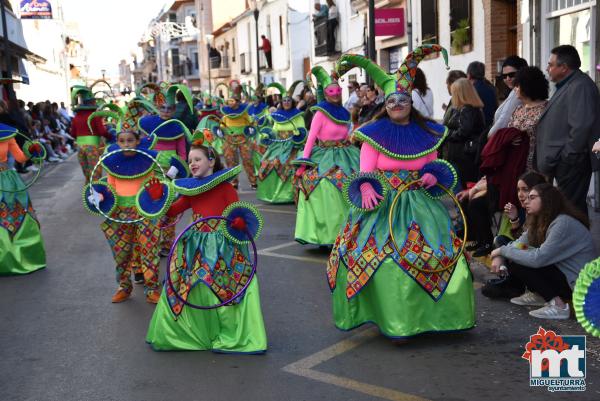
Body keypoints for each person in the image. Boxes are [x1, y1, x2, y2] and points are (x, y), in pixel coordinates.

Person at [327, 46, 475, 339]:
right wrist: (367, 186)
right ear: (385, 102)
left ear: (411, 101)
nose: (397, 104)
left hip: (420, 205)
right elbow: (364, 172)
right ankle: (393, 317)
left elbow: (432, 166)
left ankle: (441, 317)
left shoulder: (427, 132)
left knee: (440, 253)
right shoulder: (373, 134)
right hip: (383, 206)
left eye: (402, 99)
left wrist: (431, 175)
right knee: (377, 256)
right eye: (391, 100)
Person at [144, 140, 267, 353]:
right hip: (195, 245)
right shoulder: (191, 189)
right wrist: (158, 199)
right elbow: (172, 211)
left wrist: (238, 222)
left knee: (223, 288)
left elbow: (238, 213)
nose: (192, 163)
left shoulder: (226, 187)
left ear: (211, 162)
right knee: (191, 286)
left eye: (197, 159)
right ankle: (193, 334)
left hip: (223, 245)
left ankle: (227, 333)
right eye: (190, 160)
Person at [490, 184, 597, 319]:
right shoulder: (541, 221)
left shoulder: (562, 223)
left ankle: (559, 306)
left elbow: (538, 259)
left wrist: (501, 251)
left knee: (521, 260)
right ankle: (540, 295)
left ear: (547, 200)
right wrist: (500, 254)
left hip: (579, 285)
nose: (526, 201)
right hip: (562, 274)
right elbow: (519, 245)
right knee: (515, 251)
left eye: (532, 197)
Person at [85, 130, 162, 304]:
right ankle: (124, 287)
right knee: (121, 252)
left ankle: (152, 289)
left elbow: (156, 184)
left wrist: (157, 194)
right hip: (119, 213)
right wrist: (101, 198)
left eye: (130, 140)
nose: (126, 144)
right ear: (117, 143)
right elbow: (109, 189)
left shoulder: (147, 161)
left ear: (137, 142)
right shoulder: (112, 163)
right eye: (122, 141)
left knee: (149, 250)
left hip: (144, 212)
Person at [293, 66, 359, 246]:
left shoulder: (345, 112)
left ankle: (352, 233)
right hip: (324, 155)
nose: (336, 93)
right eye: (331, 91)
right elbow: (311, 139)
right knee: (321, 184)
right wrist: (303, 163)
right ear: (326, 93)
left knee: (357, 181)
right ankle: (328, 235)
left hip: (347, 154)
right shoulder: (320, 113)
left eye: (338, 90)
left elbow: (348, 133)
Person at [536, 45, 600, 216]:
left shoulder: (580, 86)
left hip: (572, 163)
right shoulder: (567, 84)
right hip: (564, 163)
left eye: (551, 64)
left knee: (571, 210)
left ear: (563, 67)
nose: (547, 69)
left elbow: (581, 127)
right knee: (567, 209)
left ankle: (577, 243)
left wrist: (568, 157)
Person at [138, 85, 193, 257]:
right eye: (163, 107)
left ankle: (167, 244)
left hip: (171, 171)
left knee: (169, 206)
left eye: (170, 108)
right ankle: (151, 241)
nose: (166, 111)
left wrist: (176, 169)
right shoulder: (148, 123)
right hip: (151, 169)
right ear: (157, 107)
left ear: (174, 109)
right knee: (152, 204)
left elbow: (183, 153)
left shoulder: (177, 127)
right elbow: (142, 146)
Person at [481, 171, 548, 299]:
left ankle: (519, 285)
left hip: (540, 260)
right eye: (518, 190)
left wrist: (499, 253)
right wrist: (515, 219)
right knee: (501, 240)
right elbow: (522, 240)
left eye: (525, 190)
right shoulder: (526, 210)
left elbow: (531, 246)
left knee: (515, 253)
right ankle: (511, 280)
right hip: (530, 252)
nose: (520, 195)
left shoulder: (545, 213)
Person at [0, 122, 46, 275]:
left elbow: (20, 158)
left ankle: (18, 259)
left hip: (7, 181)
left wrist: (32, 150)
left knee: (16, 217)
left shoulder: (6, 132)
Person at [257, 84, 306, 203]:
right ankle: (272, 194)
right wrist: (267, 135)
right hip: (278, 145)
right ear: (281, 102)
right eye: (284, 100)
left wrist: (296, 134)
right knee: (267, 162)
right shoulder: (277, 116)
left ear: (292, 102)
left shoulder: (298, 115)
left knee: (288, 164)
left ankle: (288, 195)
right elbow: (274, 131)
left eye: (289, 100)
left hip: (293, 145)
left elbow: (302, 130)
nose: (287, 102)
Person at [442, 78, 485, 187]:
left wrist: (446, 133)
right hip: (465, 155)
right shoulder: (472, 108)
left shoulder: (467, 109)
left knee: (460, 190)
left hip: (462, 156)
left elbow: (463, 132)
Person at [507, 66, 549, 169]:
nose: (515, 89)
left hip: (538, 165)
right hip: (516, 163)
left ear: (528, 86)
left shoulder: (546, 109)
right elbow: (508, 132)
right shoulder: (518, 109)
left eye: (518, 86)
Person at [69, 86, 113, 183]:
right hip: (92, 147)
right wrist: (111, 136)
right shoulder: (95, 116)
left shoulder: (76, 117)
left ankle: (88, 190)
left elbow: (73, 133)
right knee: (95, 172)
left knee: (87, 172)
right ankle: (95, 192)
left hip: (80, 147)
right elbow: (102, 132)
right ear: (92, 102)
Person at [220, 93, 257, 190]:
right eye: (229, 101)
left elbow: (251, 123)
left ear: (237, 102)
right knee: (230, 160)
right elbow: (222, 125)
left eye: (232, 101)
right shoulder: (226, 113)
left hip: (243, 138)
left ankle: (253, 181)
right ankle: (233, 182)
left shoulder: (244, 112)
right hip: (230, 138)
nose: (230, 103)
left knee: (247, 159)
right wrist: (222, 130)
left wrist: (252, 126)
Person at [487, 56, 528, 138]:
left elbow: (503, 121)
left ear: (522, 73)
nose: (508, 78)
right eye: (504, 76)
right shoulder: (514, 91)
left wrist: (488, 137)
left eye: (512, 74)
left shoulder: (518, 94)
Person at [466, 61, 497, 128]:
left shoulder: (472, 90)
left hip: (480, 130)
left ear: (469, 75)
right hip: (492, 126)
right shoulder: (491, 87)